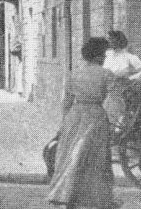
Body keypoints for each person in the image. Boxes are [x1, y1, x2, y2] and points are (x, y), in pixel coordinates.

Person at [48, 37, 119, 209]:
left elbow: (66, 101)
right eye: (103, 54)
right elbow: (115, 101)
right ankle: (100, 200)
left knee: (70, 156)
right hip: (95, 117)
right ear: (99, 56)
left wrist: (64, 123)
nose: (104, 58)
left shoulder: (75, 73)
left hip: (75, 115)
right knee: (96, 160)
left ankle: (66, 195)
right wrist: (114, 121)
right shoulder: (106, 74)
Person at [102, 30, 141, 130]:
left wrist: (130, 78)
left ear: (118, 40)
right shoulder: (106, 55)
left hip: (119, 90)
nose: (109, 42)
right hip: (103, 89)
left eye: (112, 40)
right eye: (109, 40)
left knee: (116, 115)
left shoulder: (128, 57)